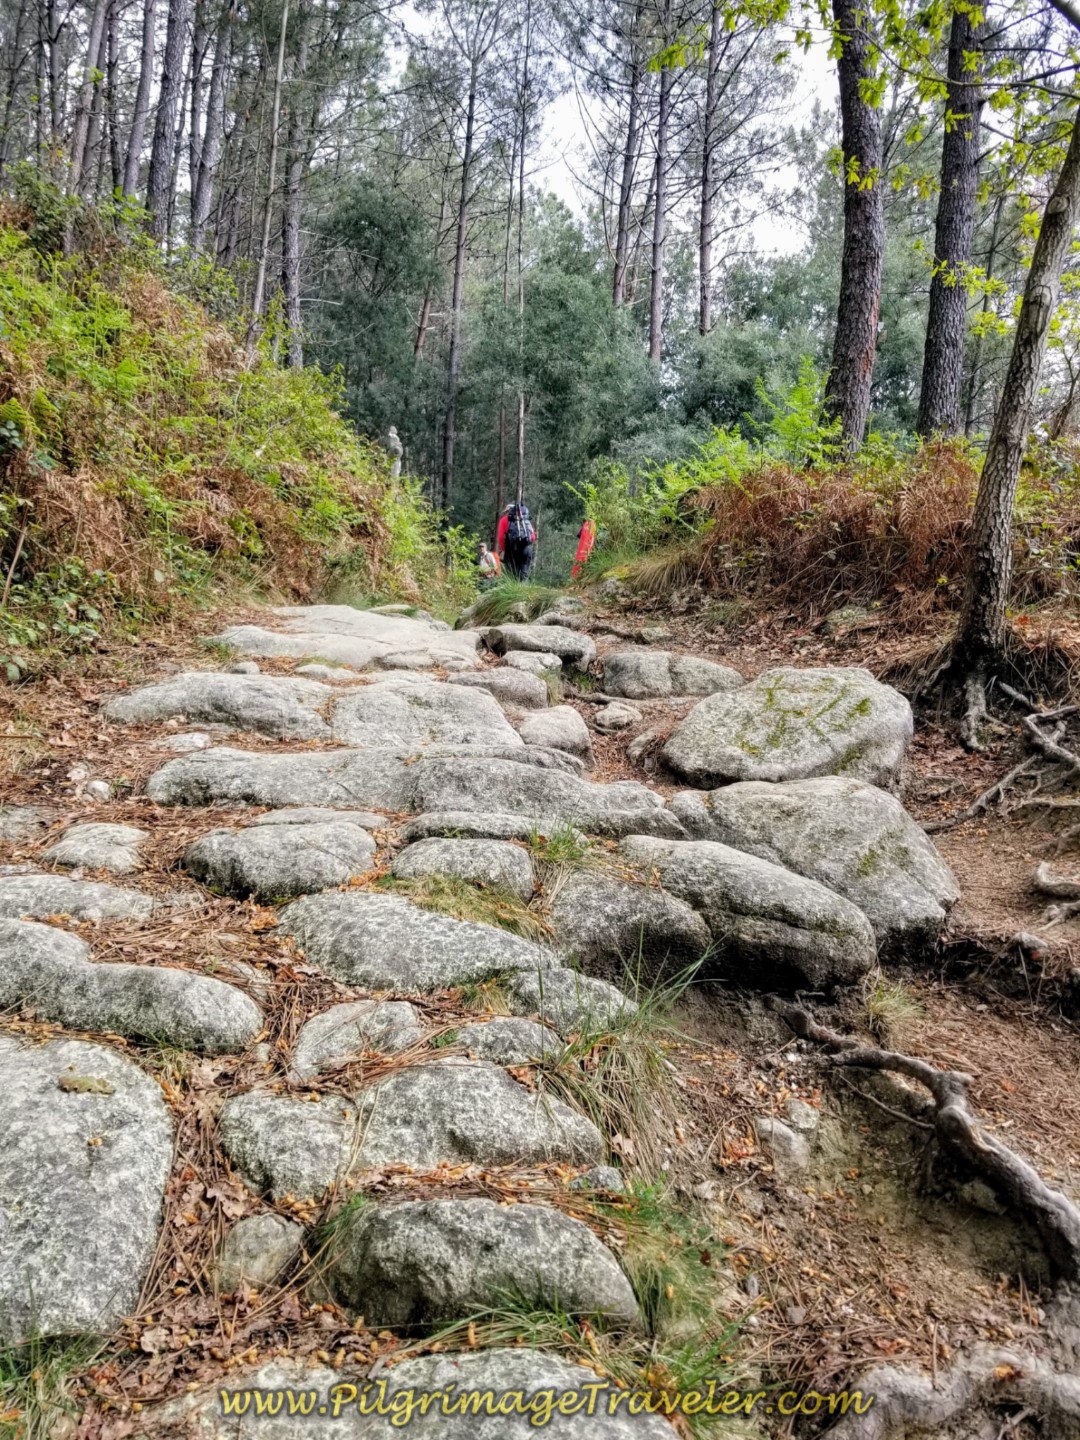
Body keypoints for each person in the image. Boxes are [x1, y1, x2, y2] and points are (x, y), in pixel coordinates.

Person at [498, 501, 536, 580]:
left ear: (509, 511)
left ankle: (513, 591)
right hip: (526, 549)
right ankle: (524, 590)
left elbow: (501, 537)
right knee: (523, 573)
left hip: (512, 550)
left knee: (511, 575)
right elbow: (533, 537)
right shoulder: (525, 519)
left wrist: (504, 549)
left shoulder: (504, 520)